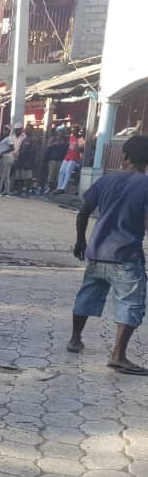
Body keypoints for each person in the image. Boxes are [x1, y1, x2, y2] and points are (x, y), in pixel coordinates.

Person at [68, 136, 148, 375]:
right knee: (131, 303)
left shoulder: (106, 180)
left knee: (87, 295)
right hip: (126, 256)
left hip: (96, 252)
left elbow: (83, 213)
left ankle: (74, 339)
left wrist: (81, 240)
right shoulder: (145, 185)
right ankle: (118, 355)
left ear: (125, 156)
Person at [57, 130, 83, 194]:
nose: (74, 132)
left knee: (68, 171)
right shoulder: (71, 137)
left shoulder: (80, 139)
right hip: (68, 155)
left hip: (74, 156)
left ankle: (63, 188)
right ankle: (59, 187)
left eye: (75, 131)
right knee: (61, 171)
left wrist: (76, 147)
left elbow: (80, 150)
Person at [0, 125, 16, 196]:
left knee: (2, 175)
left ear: (9, 131)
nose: (4, 131)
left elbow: (12, 148)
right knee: (6, 176)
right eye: (4, 130)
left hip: (6, 157)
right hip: (8, 157)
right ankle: (6, 191)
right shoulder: (6, 138)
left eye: (5, 130)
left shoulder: (8, 139)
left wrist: (3, 152)